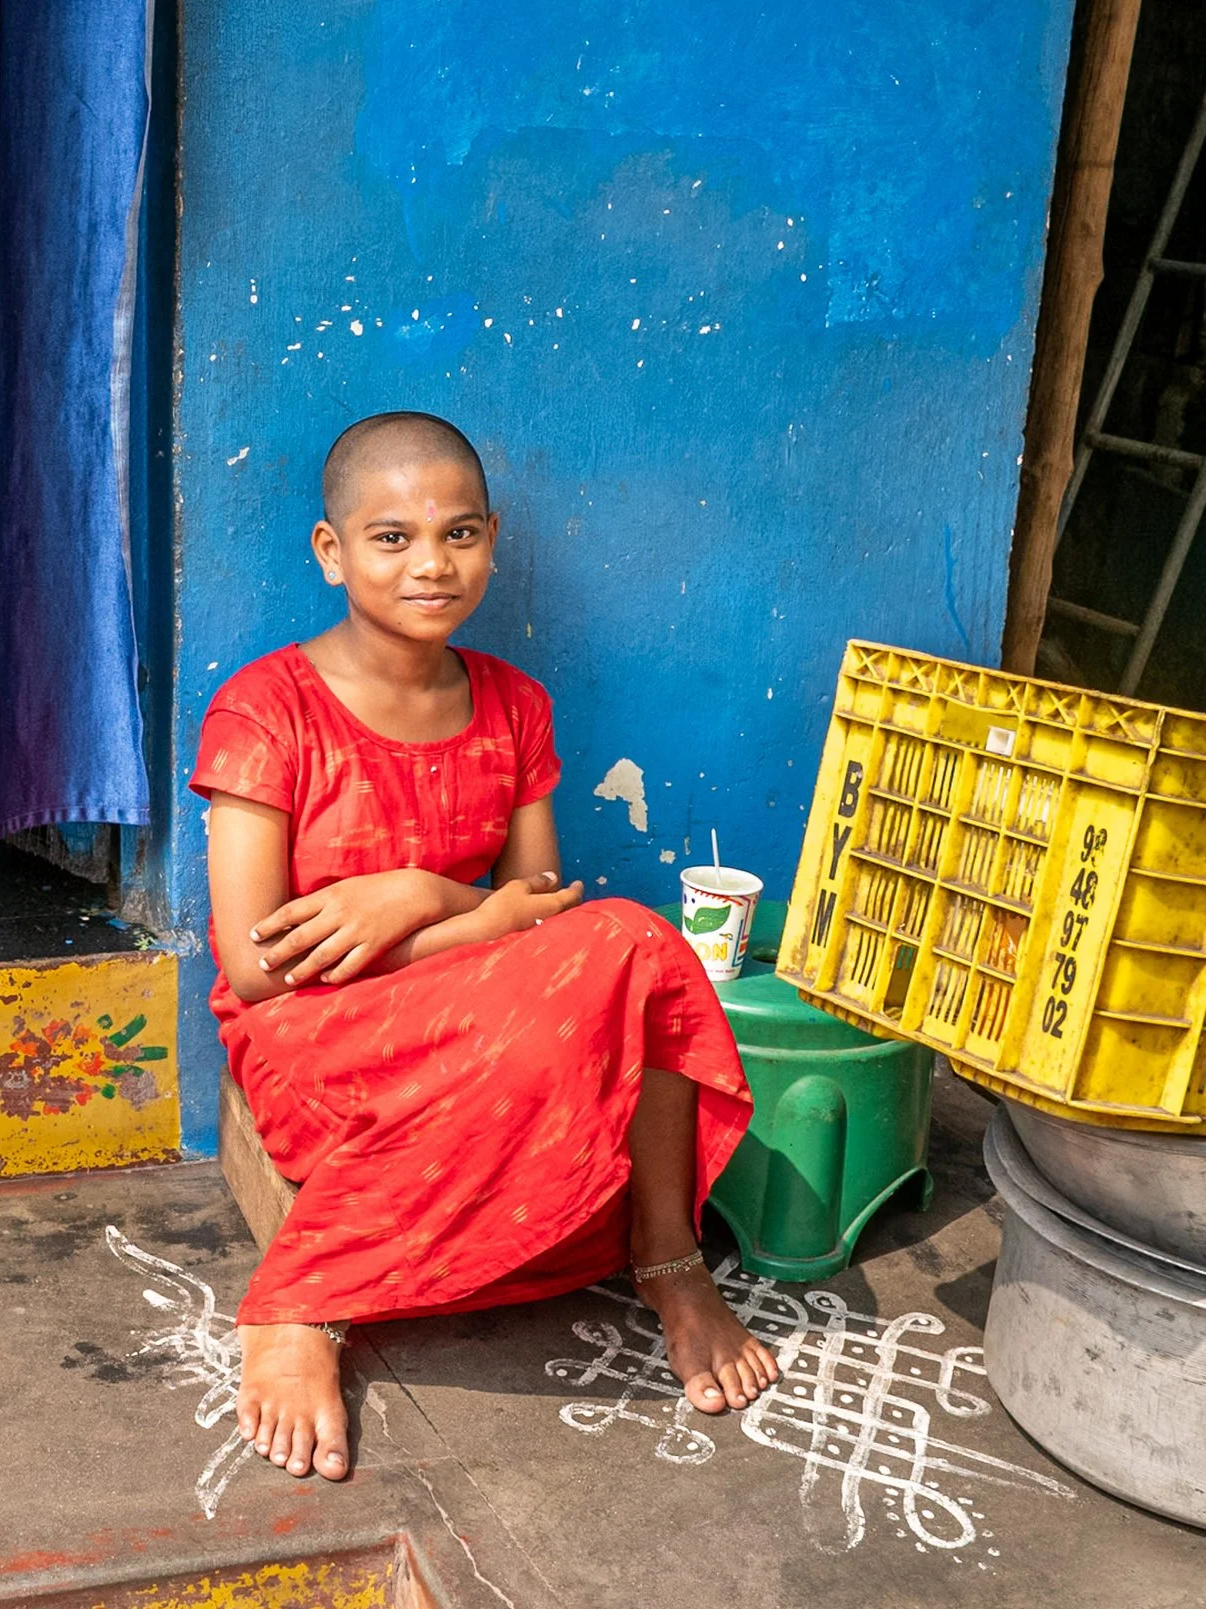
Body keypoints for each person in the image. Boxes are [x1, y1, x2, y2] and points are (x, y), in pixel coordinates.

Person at [190, 411, 779, 1484]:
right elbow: (254, 970)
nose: (431, 563)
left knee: (636, 945)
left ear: (493, 540)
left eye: (459, 534)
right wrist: (473, 916)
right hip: (320, 1034)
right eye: (391, 537)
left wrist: (419, 896)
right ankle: (304, 1301)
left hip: (478, 1003)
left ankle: (668, 1256)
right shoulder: (264, 712)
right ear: (331, 552)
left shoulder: (512, 704)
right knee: (608, 959)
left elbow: (540, 908)